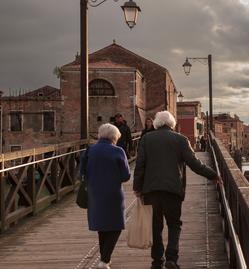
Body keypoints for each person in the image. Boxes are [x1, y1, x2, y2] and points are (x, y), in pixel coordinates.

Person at [133, 111, 221, 269]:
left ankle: (156, 261)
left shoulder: (146, 139)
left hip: (151, 190)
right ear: (172, 124)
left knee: (155, 226)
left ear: (156, 123)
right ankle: (171, 259)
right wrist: (213, 175)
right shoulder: (181, 139)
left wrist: (137, 188)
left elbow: (140, 165)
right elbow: (194, 163)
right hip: (172, 190)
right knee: (174, 224)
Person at [80, 123, 131, 269]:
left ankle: (105, 259)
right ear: (114, 137)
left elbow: (81, 172)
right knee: (115, 226)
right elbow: (125, 176)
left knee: (102, 226)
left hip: (94, 192)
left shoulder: (90, 150)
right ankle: (104, 260)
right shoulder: (118, 151)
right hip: (113, 193)